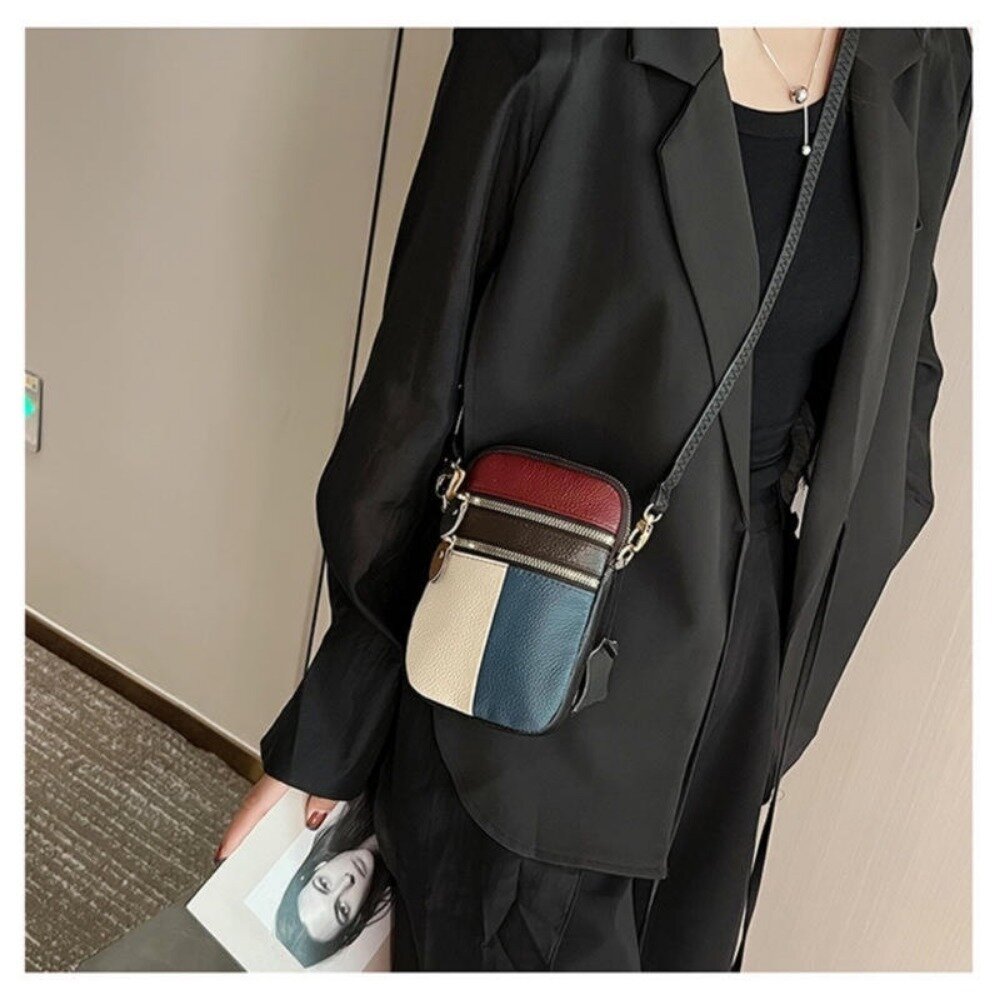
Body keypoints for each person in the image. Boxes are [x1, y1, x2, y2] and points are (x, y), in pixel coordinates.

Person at [218, 27, 972, 970]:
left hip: (730, 701)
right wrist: (337, 722)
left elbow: (901, 366)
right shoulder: (554, 36)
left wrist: (787, 670)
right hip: (524, 677)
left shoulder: (926, 60)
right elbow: (415, 388)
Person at [274, 797, 391, 967]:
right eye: (343, 909)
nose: (346, 881)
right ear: (356, 918)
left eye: (324, 884)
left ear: (317, 868)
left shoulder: (350, 799)